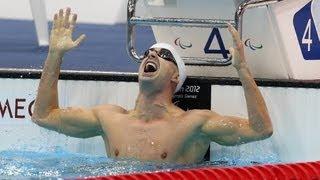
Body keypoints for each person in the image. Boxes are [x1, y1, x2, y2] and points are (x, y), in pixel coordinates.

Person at [32, 8, 273, 164]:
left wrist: (242, 71)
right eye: (148, 52)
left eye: (162, 55)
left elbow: (260, 130)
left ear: (175, 77)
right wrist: (55, 56)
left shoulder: (193, 124)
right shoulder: (109, 118)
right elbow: (44, 115)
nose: (151, 56)